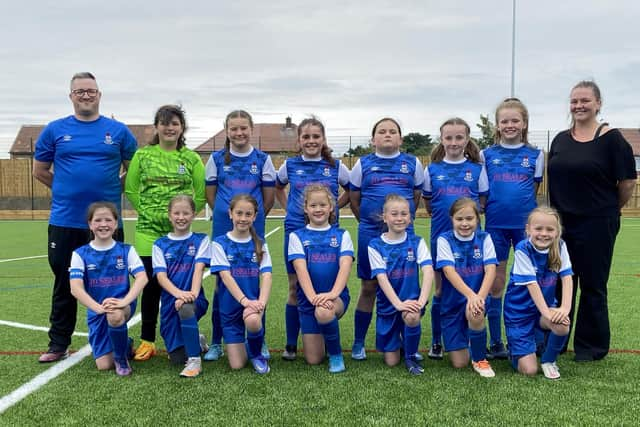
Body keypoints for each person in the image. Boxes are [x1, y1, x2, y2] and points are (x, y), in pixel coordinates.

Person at [33, 72, 138, 363]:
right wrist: (66, 190)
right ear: (71, 97)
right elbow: (39, 171)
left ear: (99, 95)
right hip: (65, 220)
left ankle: (119, 341)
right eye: (79, 91)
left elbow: (134, 169)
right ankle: (58, 343)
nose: (86, 95)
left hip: (106, 224)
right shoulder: (54, 130)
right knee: (65, 281)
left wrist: (113, 188)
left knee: (114, 283)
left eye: (90, 91)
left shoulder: (118, 131)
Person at [547, 80, 637, 361]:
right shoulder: (560, 139)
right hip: (561, 225)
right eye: (574, 101)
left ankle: (591, 347)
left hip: (598, 223)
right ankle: (557, 340)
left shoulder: (612, 140)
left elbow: (627, 184)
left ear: (598, 103)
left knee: (593, 285)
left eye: (585, 100)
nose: (579, 106)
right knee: (561, 282)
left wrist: (606, 210)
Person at [125, 104, 206, 362]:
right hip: (149, 233)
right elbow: (131, 189)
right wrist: (147, 212)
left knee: (181, 287)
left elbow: (201, 193)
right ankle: (148, 340)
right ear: (156, 126)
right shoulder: (143, 155)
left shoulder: (190, 158)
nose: (170, 127)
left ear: (181, 128)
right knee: (149, 287)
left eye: (175, 123)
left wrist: (184, 219)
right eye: (164, 122)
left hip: (179, 236)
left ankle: (185, 334)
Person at [276, 117, 350, 360]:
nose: (311, 141)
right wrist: (290, 209)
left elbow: (352, 189)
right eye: (306, 137)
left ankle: (325, 331)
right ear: (299, 140)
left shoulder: (337, 166)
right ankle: (290, 344)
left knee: (326, 286)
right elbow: (277, 187)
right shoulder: (289, 165)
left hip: (328, 234)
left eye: (316, 136)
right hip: (296, 232)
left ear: (323, 139)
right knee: (295, 288)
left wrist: (334, 209)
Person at [349, 117, 424, 361]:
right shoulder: (363, 163)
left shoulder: (412, 163)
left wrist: (401, 221)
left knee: (406, 284)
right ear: (373, 140)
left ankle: (405, 339)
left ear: (401, 138)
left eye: (393, 131)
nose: (387, 135)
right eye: (382, 131)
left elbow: (416, 195)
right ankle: (359, 341)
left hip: (404, 234)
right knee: (369, 286)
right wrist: (372, 223)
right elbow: (354, 198)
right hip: (371, 232)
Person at [204, 110, 276, 361]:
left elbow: (268, 198)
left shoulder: (263, 159)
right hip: (226, 224)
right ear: (227, 131)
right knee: (220, 284)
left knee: (254, 280)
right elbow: (211, 195)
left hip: (253, 225)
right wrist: (226, 214)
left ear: (251, 128)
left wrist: (253, 217)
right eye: (234, 128)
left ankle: (259, 338)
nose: (239, 133)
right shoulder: (215, 159)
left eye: (243, 128)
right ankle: (216, 341)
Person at [480, 99, 544, 360]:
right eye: (504, 121)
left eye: (515, 120)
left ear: (524, 124)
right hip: (495, 225)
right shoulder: (486, 155)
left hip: (526, 229)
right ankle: (496, 342)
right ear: (497, 125)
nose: (510, 125)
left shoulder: (536, 155)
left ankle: (533, 340)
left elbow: (534, 189)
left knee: (532, 281)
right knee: (496, 282)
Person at [423, 118, 488, 360]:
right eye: (448, 138)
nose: (453, 142)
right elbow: (429, 203)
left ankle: (473, 335)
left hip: (471, 239)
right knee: (441, 290)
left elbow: (482, 202)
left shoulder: (477, 170)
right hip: (441, 236)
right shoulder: (432, 169)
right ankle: (437, 340)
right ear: (441, 139)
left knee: (472, 286)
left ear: (467, 139)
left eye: (459, 137)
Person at [69, 202, 147, 376]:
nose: (103, 224)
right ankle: (125, 344)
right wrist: (98, 308)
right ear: (90, 224)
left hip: (122, 306)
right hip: (97, 309)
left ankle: (121, 359)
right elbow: (76, 288)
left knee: (115, 315)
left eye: (108, 220)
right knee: (104, 365)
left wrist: (124, 302)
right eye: (97, 220)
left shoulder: (126, 250)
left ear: (115, 223)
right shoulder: (80, 254)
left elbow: (142, 278)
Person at [287, 184, 353, 373]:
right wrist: (313, 297)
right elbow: (301, 271)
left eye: (323, 205)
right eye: (313, 205)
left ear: (331, 207)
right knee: (314, 359)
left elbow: (345, 267)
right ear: (306, 208)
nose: (318, 209)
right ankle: (324, 330)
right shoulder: (297, 236)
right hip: (309, 301)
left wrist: (332, 294)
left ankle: (336, 355)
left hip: (336, 298)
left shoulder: (342, 234)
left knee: (324, 312)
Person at [504, 207, 573, 379]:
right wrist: (548, 313)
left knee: (563, 323)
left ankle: (549, 360)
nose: (544, 233)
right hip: (519, 314)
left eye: (550, 229)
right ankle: (514, 350)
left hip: (543, 310)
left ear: (557, 231)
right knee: (530, 370)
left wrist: (564, 308)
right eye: (538, 229)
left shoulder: (560, 246)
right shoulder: (522, 249)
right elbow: (533, 286)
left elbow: (567, 278)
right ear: (528, 229)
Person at [368, 194, 434, 375]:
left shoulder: (417, 242)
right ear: (385, 217)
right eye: (394, 214)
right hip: (389, 305)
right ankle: (401, 343)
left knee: (412, 316)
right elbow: (381, 278)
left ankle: (410, 356)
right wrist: (397, 304)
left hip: (411, 301)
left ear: (410, 217)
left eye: (404, 214)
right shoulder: (375, 245)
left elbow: (428, 271)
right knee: (390, 361)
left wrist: (421, 301)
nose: (399, 218)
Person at [209, 194, 273, 374]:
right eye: (239, 213)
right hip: (230, 307)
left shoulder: (260, 243)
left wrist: (261, 303)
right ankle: (250, 343)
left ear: (254, 216)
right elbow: (226, 276)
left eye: (248, 214)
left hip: (252, 307)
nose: (243, 218)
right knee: (236, 365)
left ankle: (256, 353)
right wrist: (245, 300)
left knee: (253, 320)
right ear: (230, 214)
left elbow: (267, 276)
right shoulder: (220, 243)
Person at [435, 197, 498, 378]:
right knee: (459, 363)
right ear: (452, 219)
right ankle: (471, 340)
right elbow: (449, 271)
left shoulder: (484, 238)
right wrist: (471, 295)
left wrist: (479, 298)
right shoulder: (444, 240)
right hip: (453, 305)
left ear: (477, 219)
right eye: (459, 219)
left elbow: (491, 270)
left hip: (476, 299)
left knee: (475, 311)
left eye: (469, 219)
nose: (464, 223)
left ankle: (479, 359)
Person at [152, 195, 210, 378]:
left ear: (193, 214)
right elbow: (161, 277)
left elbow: (199, 269)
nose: (181, 217)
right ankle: (197, 341)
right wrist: (178, 294)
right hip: (171, 302)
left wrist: (191, 294)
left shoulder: (202, 240)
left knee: (185, 309)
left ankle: (194, 362)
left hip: (194, 300)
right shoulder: (159, 244)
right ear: (169, 215)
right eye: (176, 213)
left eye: (186, 213)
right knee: (176, 357)